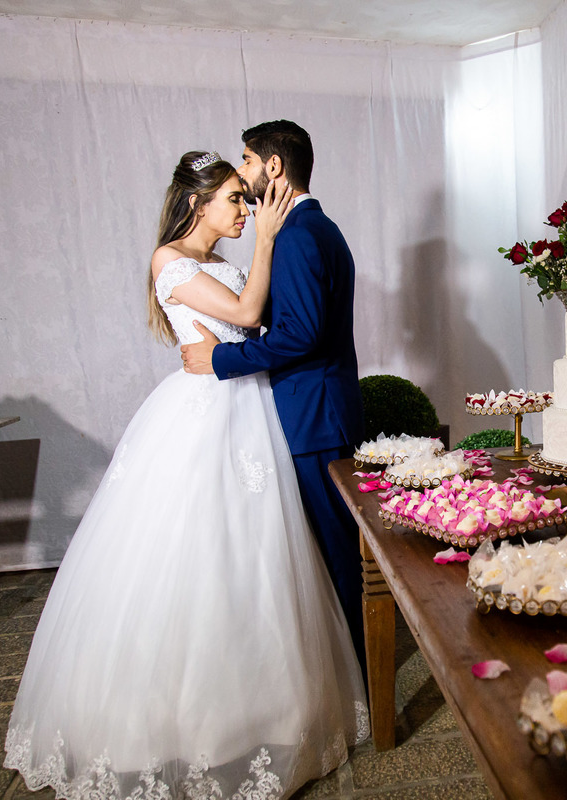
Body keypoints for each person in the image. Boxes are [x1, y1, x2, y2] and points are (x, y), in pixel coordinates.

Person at [4, 151, 368, 800]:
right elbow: (248, 315)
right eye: (233, 198)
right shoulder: (168, 260)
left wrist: (267, 263)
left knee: (258, 555)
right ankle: (174, 724)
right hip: (203, 414)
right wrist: (266, 241)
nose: (245, 209)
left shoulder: (224, 259)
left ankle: (270, 707)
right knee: (195, 552)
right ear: (197, 204)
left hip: (250, 407)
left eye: (245, 198)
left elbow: (262, 320)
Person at [180, 121, 366, 666]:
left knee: (338, 551)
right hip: (318, 409)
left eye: (246, 160)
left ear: (274, 166)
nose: (242, 173)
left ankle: (361, 671)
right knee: (328, 547)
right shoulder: (314, 227)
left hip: (315, 416)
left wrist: (221, 359)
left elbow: (300, 335)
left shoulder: (300, 235)